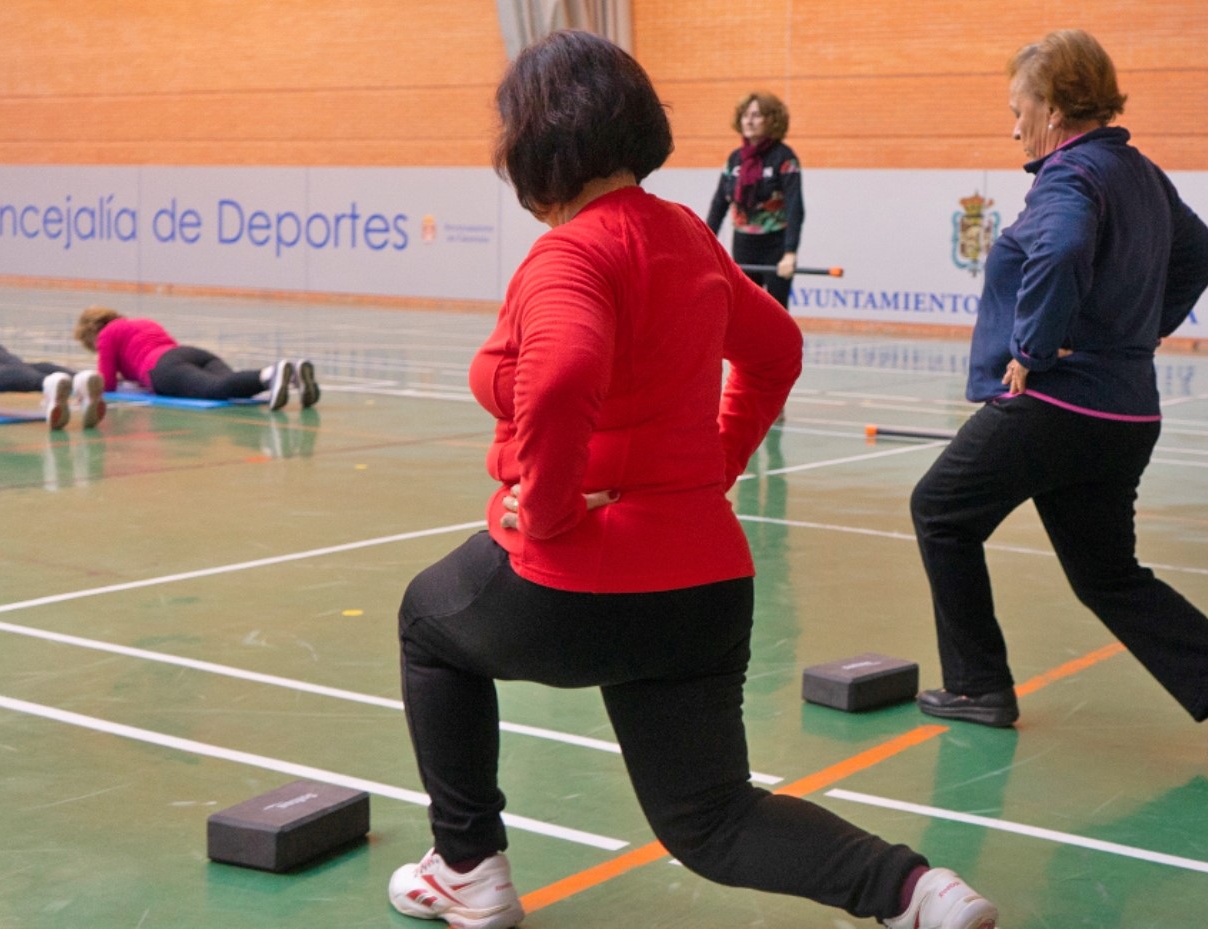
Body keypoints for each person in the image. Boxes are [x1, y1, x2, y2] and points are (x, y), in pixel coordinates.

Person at [386, 31, 996, 929]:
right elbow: (776, 348)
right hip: (706, 587)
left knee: (427, 622)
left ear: (537, 143)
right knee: (713, 820)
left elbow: (559, 376)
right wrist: (715, 465)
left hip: (579, 587)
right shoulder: (684, 237)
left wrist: (548, 515)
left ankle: (469, 865)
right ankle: (916, 892)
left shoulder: (570, 256)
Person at [907, 29, 1208, 755]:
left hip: (1055, 405)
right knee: (1107, 573)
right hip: (1124, 411)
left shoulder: (1069, 176)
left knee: (939, 510)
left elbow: (1057, 251)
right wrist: (1140, 330)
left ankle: (977, 685)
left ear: (1054, 109)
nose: (1013, 122)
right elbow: (1202, 251)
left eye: (1018, 106)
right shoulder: (1137, 171)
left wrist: (1030, 348)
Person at [73, 307, 316, 410]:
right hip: (191, 354)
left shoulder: (106, 334)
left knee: (215, 389)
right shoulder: (143, 322)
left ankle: (270, 374)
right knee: (231, 382)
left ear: (93, 332)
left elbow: (106, 384)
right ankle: (292, 375)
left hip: (160, 368)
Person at [705, 91, 804, 308]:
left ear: (772, 120)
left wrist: (790, 254)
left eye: (757, 115)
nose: (749, 120)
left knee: (777, 311)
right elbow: (718, 205)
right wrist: (704, 246)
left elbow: (795, 207)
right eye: (745, 115)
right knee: (745, 311)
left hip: (775, 247)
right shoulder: (735, 159)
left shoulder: (784, 157)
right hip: (743, 246)